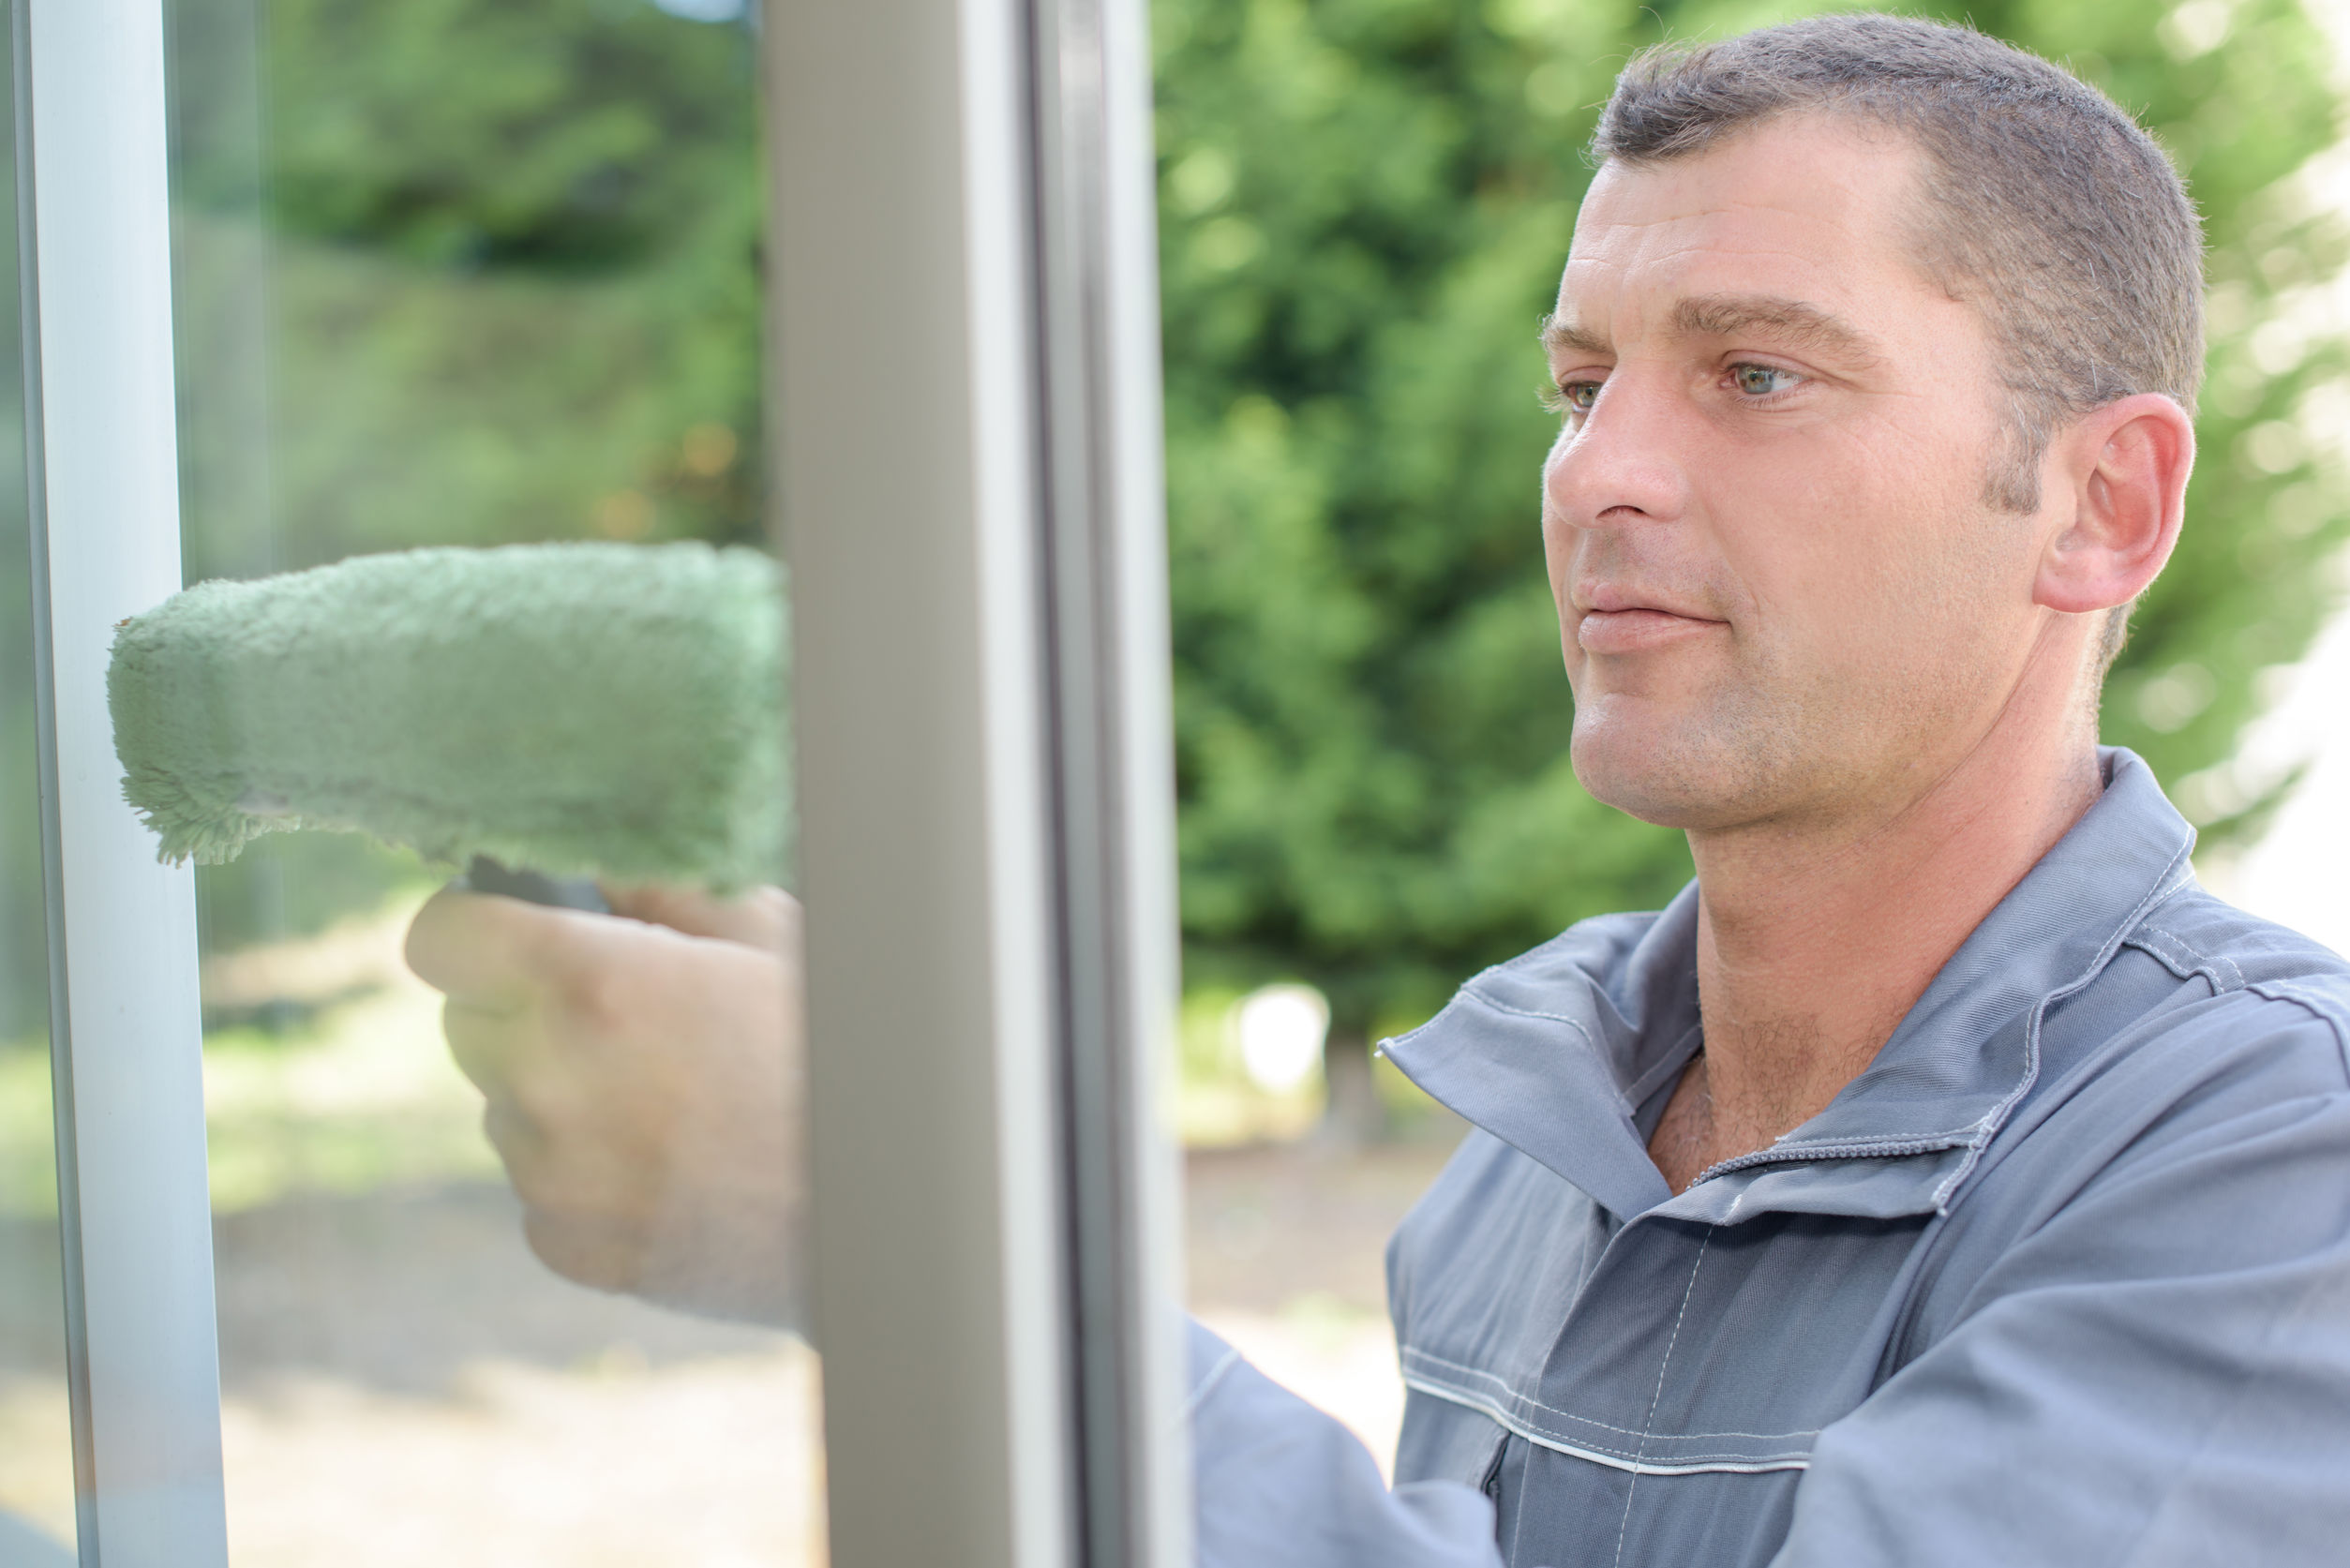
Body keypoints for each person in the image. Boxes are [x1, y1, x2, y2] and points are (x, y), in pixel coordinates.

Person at [406, 14, 2350, 1565]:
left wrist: (920, 1242)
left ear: (2105, 507)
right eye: (1580, 386)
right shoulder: (1546, 1116)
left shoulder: (2277, 1162)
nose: (1598, 476)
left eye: (1756, 374)